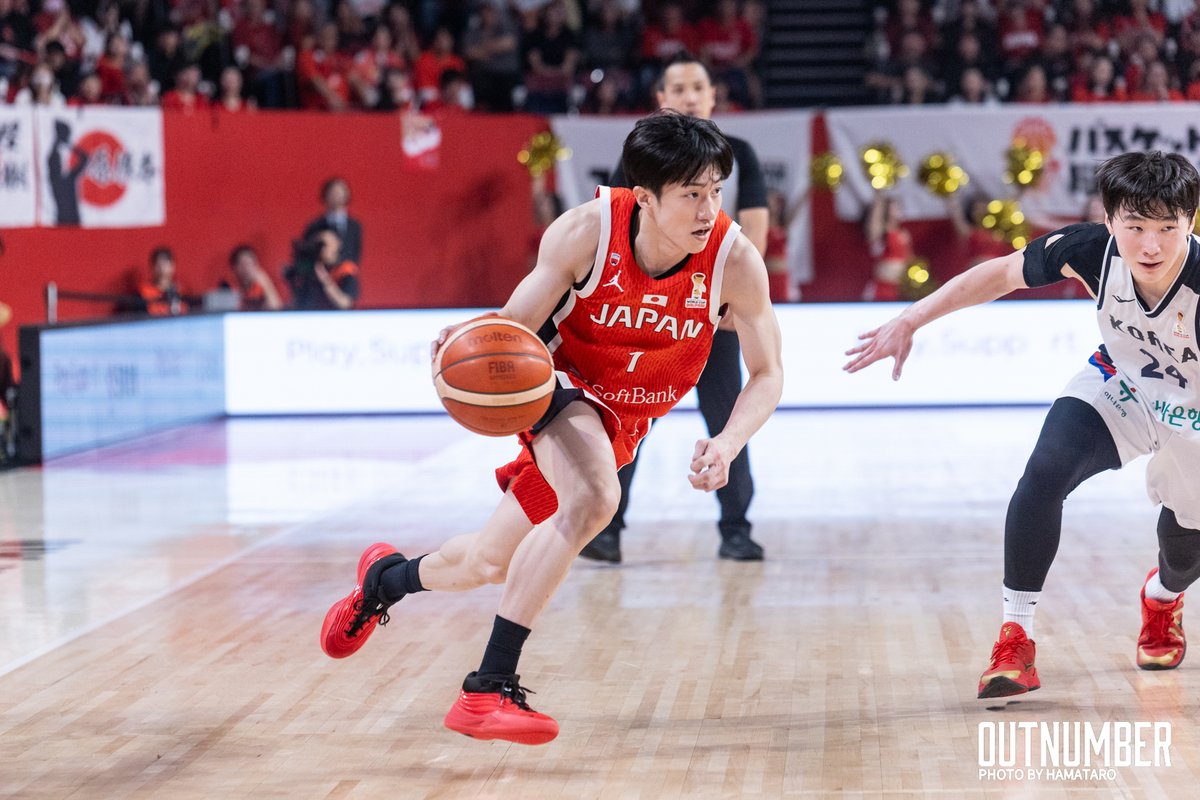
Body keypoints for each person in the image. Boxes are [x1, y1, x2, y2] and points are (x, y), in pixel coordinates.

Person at [320, 111, 783, 745]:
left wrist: (728, 441)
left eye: (715, 191)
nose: (709, 210)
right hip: (555, 388)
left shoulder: (735, 261)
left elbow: (768, 373)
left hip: (622, 420)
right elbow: (512, 329)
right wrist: (467, 342)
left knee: (486, 561)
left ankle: (385, 581)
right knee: (596, 500)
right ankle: (487, 689)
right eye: (691, 194)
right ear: (644, 197)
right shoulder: (587, 232)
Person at [844, 151, 1200, 699]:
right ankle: (1016, 637)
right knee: (1045, 470)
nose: (1150, 246)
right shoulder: (1089, 250)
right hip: (1122, 387)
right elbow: (1002, 274)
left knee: (1184, 556)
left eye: (1166, 229)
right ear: (1108, 222)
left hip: (1195, 416)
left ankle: (1160, 597)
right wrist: (911, 316)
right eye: (1135, 227)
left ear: (1190, 222)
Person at [582, 51, 769, 564]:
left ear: (713, 96)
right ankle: (606, 527)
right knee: (627, 421)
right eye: (679, 89)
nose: (690, 96)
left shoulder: (741, 153)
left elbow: (754, 232)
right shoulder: (640, 157)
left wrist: (731, 294)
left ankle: (736, 529)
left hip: (713, 317)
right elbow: (620, 233)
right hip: (654, 317)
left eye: (698, 87)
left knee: (730, 423)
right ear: (662, 100)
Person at [284, 229, 359, 310]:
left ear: (337, 244)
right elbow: (299, 303)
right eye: (318, 245)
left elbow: (345, 303)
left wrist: (326, 281)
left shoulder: (345, 269)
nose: (321, 249)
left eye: (324, 244)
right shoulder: (311, 268)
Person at [303, 177, 363, 265]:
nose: (337, 196)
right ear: (325, 195)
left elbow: (355, 253)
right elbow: (306, 250)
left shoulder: (354, 226)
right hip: (320, 273)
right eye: (334, 192)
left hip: (345, 273)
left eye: (341, 192)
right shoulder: (315, 225)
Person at [225, 245, 283, 310]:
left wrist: (265, 282)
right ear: (235, 268)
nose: (247, 268)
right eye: (243, 264)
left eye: (250, 264)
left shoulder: (261, 289)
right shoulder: (228, 288)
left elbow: (276, 308)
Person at [135, 246, 188, 316]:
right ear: (152, 268)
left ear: (173, 266)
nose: (162, 269)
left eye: (165, 264)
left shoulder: (181, 292)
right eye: (158, 264)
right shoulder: (143, 293)